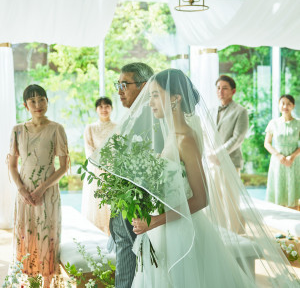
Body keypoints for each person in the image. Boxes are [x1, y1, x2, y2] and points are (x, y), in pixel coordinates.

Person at [92, 69, 299, 287]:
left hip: (181, 234)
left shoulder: (186, 138)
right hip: (161, 230)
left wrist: (154, 221)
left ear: (175, 98)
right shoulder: (171, 134)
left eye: (155, 95)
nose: (150, 102)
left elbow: (201, 198)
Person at [8, 84, 69, 288]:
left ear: (47, 101)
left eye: (41, 99)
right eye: (32, 101)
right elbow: (12, 165)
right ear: (25, 105)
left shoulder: (56, 129)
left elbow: (64, 166)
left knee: (48, 235)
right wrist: (23, 190)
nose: (38, 104)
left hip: (47, 193)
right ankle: (29, 281)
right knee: (27, 234)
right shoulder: (17, 130)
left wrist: (41, 189)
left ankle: (47, 283)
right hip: (24, 194)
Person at [110, 62, 155, 288]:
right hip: (123, 210)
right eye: (117, 85)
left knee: (138, 276)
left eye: (124, 84)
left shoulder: (153, 120)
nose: (119, 90)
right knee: (125, 275)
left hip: (140, 214)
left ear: (144, 86)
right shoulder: (129, 118)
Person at [209, 75, 249, 233]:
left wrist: (219, 154)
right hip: (212, 163)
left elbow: (238, 138)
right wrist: (209, 154)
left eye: (225, 88)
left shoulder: (241, 111)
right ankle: (222, 234)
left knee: (231, 201)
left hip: (230, 161)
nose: (221, 91)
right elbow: (206, 135)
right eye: (218, 88)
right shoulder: (211, 110)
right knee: (216, 202)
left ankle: (238, 235)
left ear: (233, 91)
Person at [81, 97, 116, 233]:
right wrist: (99, 163)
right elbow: (89, 149)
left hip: (113, 170)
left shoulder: (117, 127)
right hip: (96, 171)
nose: (104, 109)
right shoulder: (90, 128)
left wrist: (111, 164)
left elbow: (121, 148)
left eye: (107, 106)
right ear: (96, 109)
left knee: (111, 205)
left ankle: (112, 234)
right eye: (100, 107)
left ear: (111, 108)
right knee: (96, 205)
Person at [264, 94, 300, 209]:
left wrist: (292, 157)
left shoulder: (298, 123)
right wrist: (278, 155)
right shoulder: (273, 123)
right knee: (278, 190)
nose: (285, 106)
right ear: (279, 105)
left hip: (294, 161)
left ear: (293, 106)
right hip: (278, 161)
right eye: (283, 103)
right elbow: (267, 143)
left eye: (288, 103)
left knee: (294, 191)